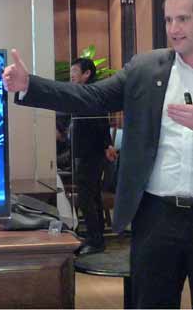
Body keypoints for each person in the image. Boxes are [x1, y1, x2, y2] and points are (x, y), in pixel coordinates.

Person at [2, 0, 193, 308]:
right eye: (168, 20)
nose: (173, 29)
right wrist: (30, 85)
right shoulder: (144, 68)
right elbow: (90, 97)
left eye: (183, 19)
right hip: (156, 218)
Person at [68, 57, 116, 255]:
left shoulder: (92, 94)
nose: (71, 76)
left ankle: (95, 240)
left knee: (87, 198)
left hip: (91, 154)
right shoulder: (82, 93)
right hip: (85, 152)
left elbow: (101, 123)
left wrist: (107, 145)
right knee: (91, 196)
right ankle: (95, 237)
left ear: (87, 74)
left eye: (74, 72)